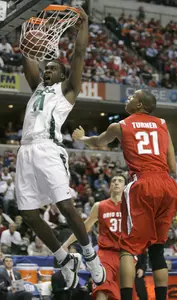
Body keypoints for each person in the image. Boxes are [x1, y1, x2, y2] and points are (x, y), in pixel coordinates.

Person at [15, 7, 105, 290]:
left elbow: (79, 54)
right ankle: (65, 259)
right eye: (47, 67)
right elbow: (27, 56)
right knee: (29, 214)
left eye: (53, 68)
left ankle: (90, 256)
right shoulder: (37, 88)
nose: (47, 70)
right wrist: (25, 30)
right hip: (25, 151)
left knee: (65, 205)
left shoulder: (67, 91)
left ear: (64, 75)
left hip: (48, 149)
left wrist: (83, 26)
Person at [72, 89, 177, 300]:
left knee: (128, 249)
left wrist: (82, 138)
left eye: (132, 97)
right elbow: (173, 166)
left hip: (143, 183)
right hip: (168, 185)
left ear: (140, 105)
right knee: (158, 247)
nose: (127, 99)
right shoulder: (163, 124)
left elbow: (97, 143)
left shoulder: (120, 125)